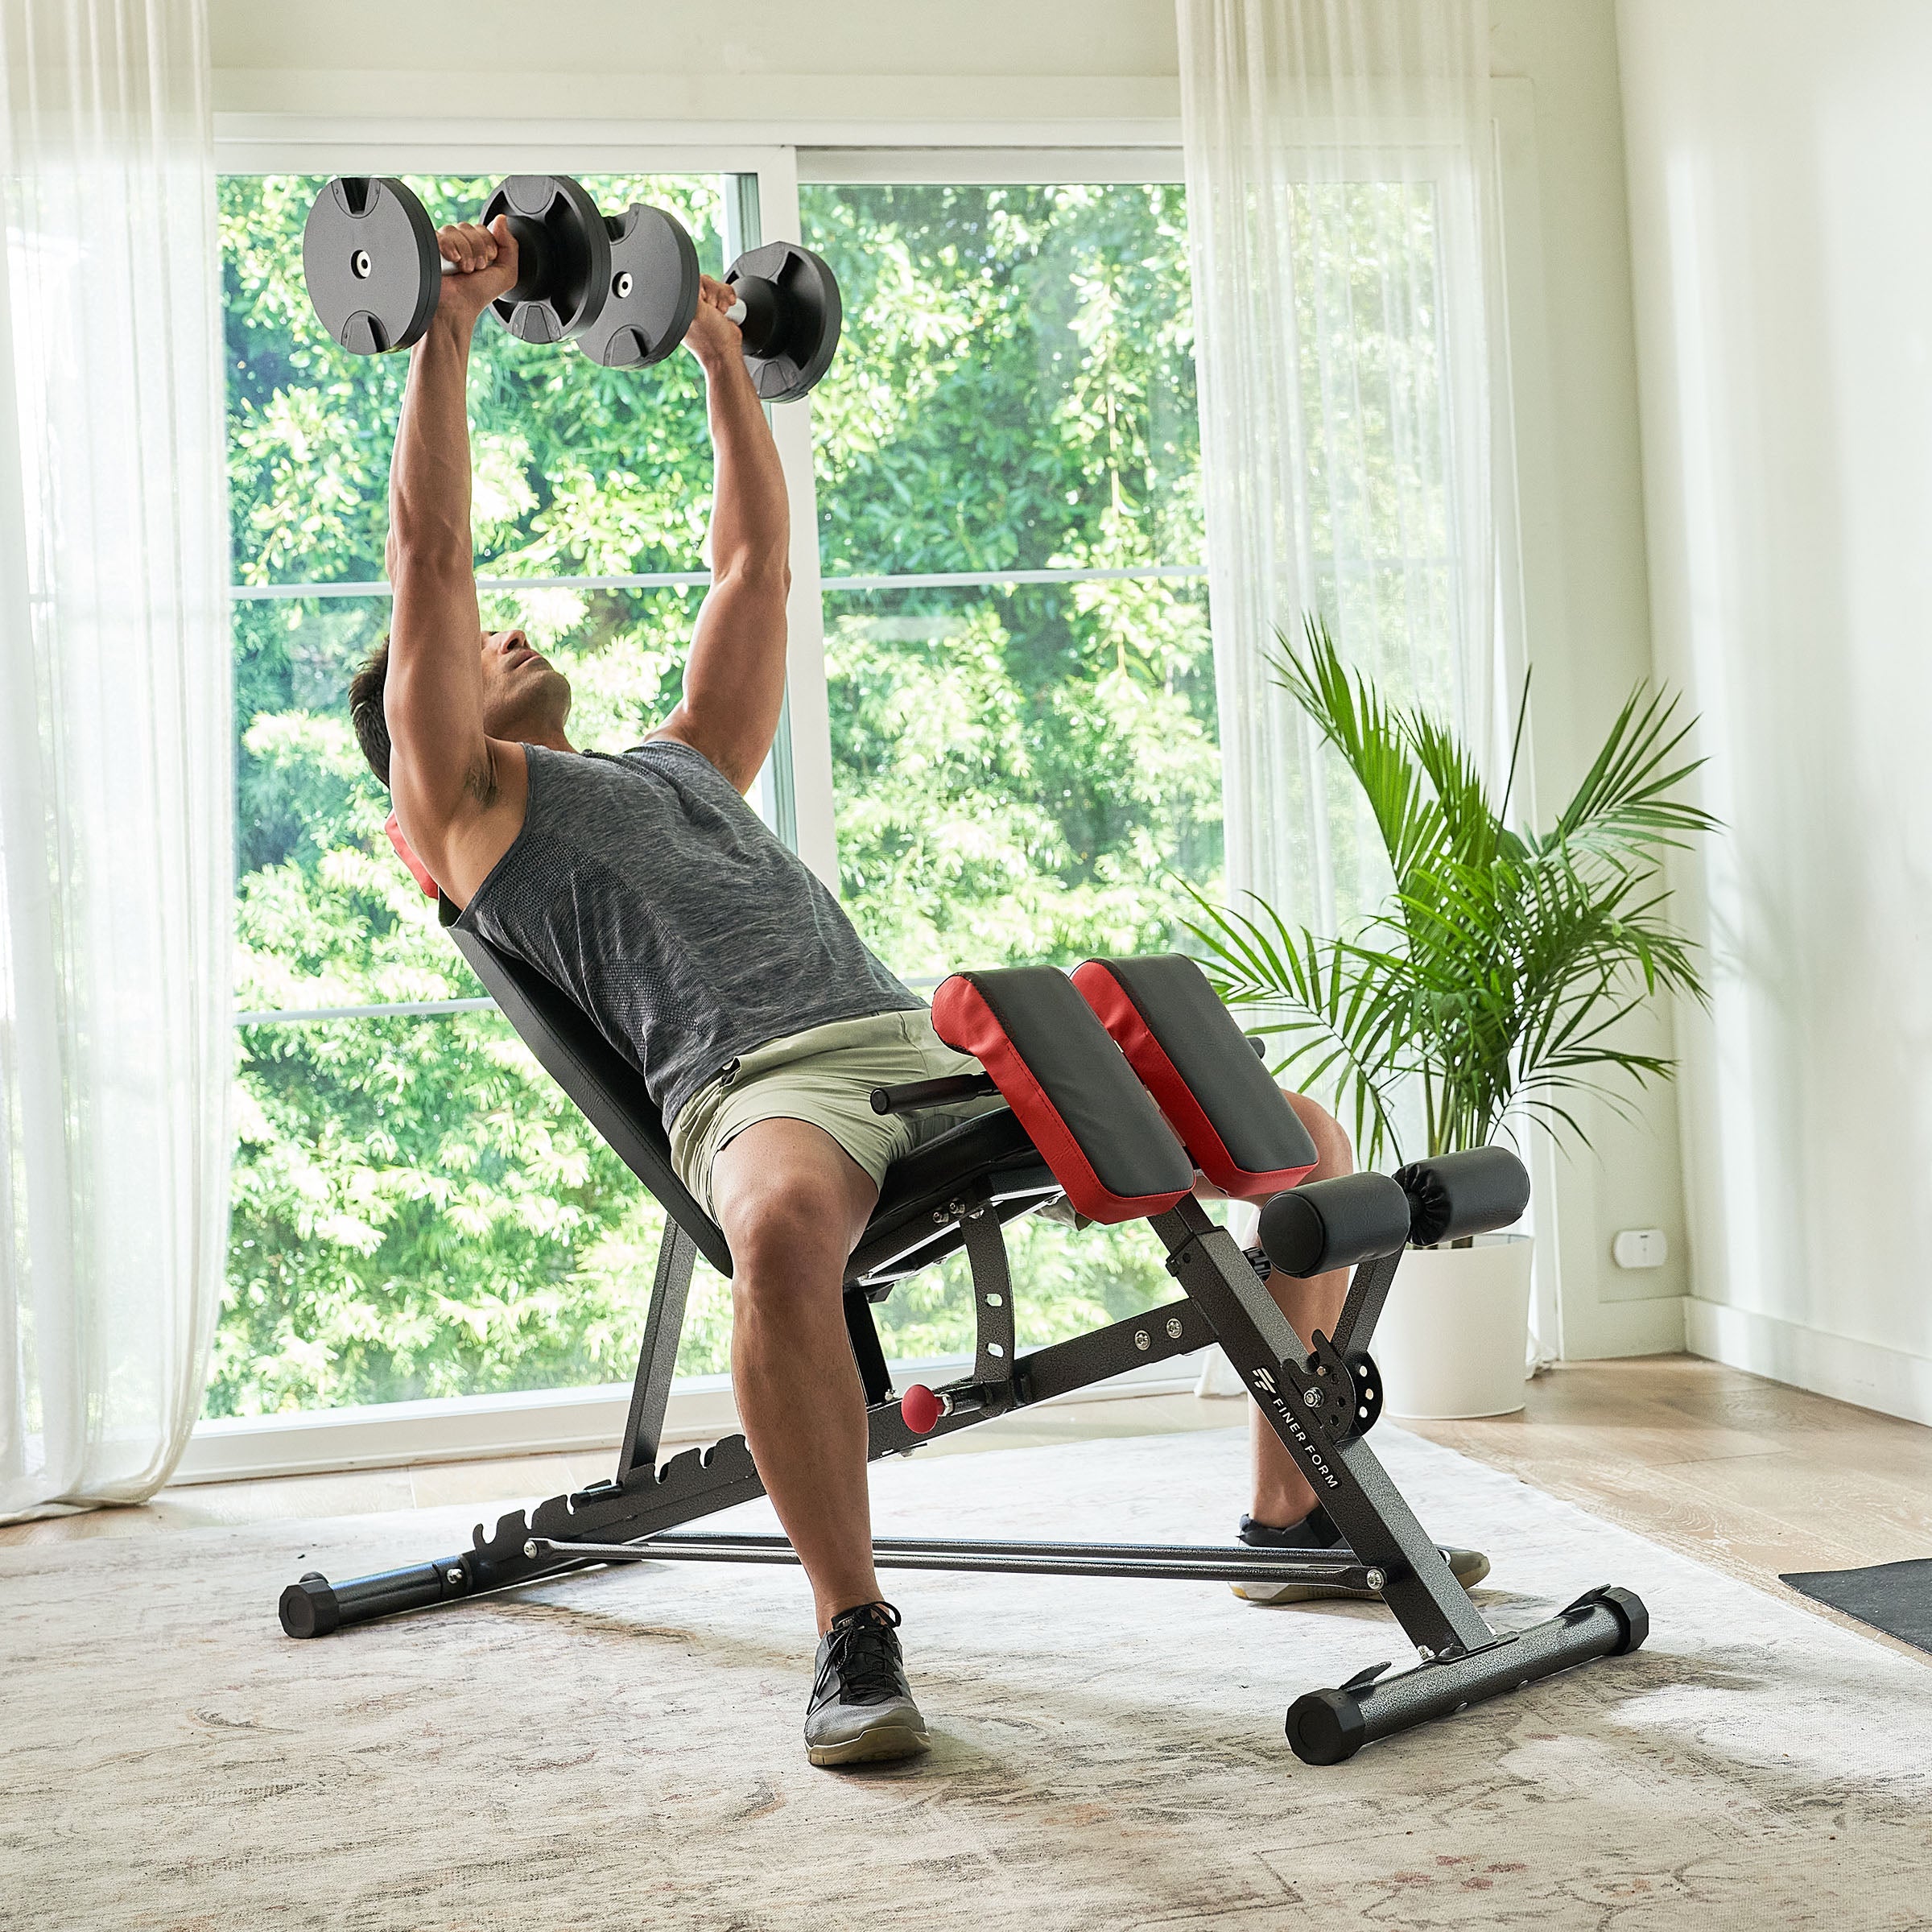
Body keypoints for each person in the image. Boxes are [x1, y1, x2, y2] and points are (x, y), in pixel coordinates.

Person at [347, 216, 1485, 1769]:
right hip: (761, 1092)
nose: (509, 628)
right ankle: (851, 1630)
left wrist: (723, 357)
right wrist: (450, 331)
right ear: (423, 728)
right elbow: (429, 555)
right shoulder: (466, 809)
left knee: (1299, 1130)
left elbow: (754, 568)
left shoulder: (679, 763)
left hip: (927, 1047)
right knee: (780, 1235)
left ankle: (1293, 1514)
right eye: (476, 647)